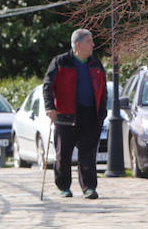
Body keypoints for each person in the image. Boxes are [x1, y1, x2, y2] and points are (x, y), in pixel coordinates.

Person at [42, 29, 107, 199]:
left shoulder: (95, 64)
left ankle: (89, 188)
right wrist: (50, 107)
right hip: (66, 115)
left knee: (88, 154)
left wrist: (102, 113)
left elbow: (103, 89)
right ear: (78, 44)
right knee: (63, 154)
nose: (93, 44)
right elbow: (47, 85)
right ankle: (64, 187)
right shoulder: (60, 62)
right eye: (89, 41)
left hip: (91, 115)